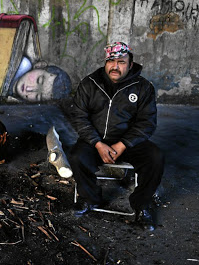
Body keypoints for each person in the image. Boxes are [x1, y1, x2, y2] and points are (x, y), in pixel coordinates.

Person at [68, 41, 164, 231]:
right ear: (105, 62)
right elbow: (79, 117)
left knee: (155, 157)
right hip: (95, 141)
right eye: (111, 61)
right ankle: (89, 199)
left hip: (128, 143)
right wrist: (97, 144)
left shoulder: (143, 87)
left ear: (130, 64)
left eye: (121, 62)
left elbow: (147, 123)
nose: (115, 66)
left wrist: (122, 145)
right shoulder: (90, 83)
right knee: (76, 156)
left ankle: (142, 205)